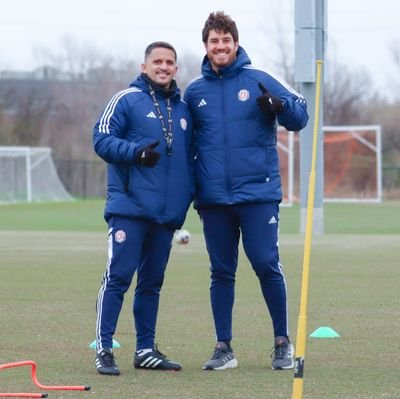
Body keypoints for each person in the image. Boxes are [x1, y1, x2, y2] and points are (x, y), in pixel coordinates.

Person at [184, 11, 309, 371]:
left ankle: (282, 343)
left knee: (267, 264)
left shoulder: (259, 79)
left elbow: (300, 116)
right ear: (206, 47)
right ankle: (223, 348)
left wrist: (280, 106)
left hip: (257, 195)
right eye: (213, 41)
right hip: (214, 201)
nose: (220, 46)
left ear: (235, 44)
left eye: (226, 40)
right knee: (221, 272)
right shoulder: (194, 92)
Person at [93, 41, 194, 375]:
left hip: (165, 217)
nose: (163, 67)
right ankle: (104, 350)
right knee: (119, 277)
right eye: (157, 61)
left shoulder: (183, 111)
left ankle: (146, 350)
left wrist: (185, 202)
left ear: (176, 69)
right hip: (130, 209)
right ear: (144, 66)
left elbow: (189, 160)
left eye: (169, 62)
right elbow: (101, 138)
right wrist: (136, 152)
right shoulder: (126, 100)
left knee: (152, 283)